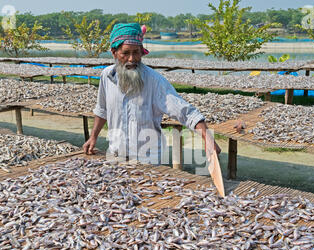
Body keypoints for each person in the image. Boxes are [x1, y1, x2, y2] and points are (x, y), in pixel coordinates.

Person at [83, 23, 221, 165]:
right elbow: (102, 110)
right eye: (125, 53)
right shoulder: (107, 76)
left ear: (142, 52)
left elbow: (185, 111)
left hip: (147, 158)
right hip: (115, 154)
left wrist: (208, 139)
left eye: (136, 52)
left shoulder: (155, 81)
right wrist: (93, 137)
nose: (131, 59)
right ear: (114, 53)